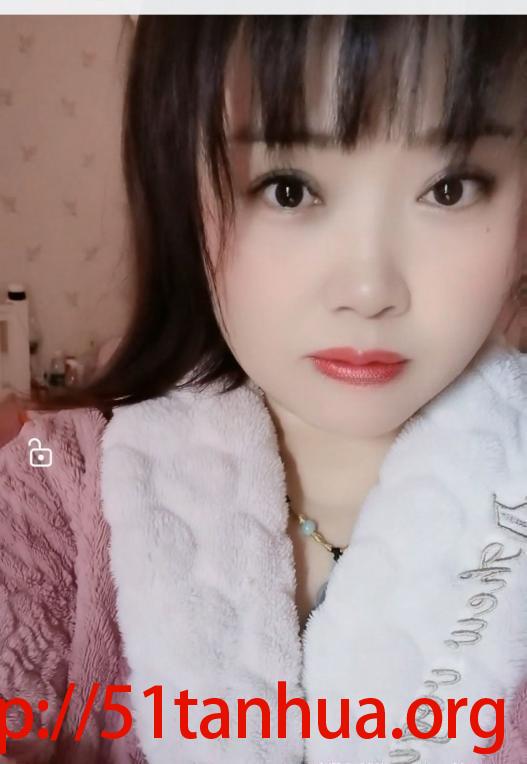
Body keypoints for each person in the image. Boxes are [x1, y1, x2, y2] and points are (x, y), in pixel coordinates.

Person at [1, 15, 527, 764]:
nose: (368, 290)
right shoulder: (60, 476)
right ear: (181, 195)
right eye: (288, 189)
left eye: (449, 188)